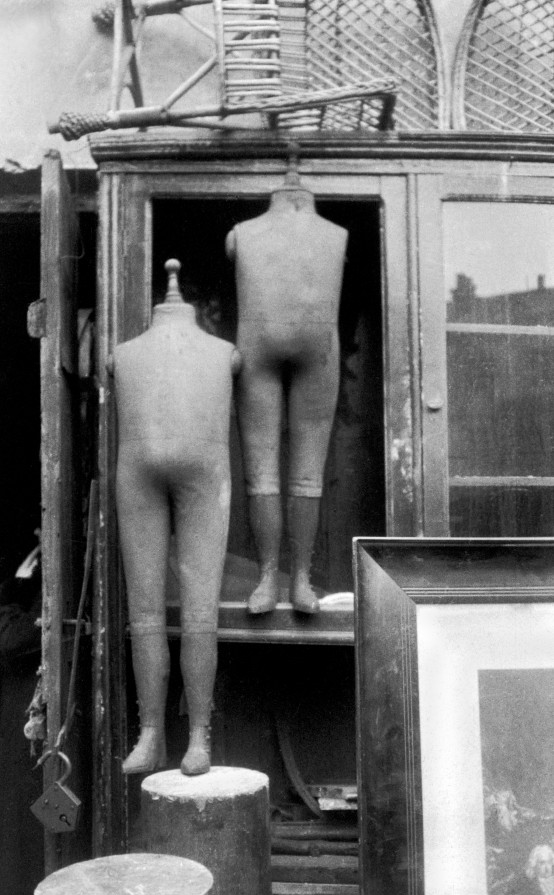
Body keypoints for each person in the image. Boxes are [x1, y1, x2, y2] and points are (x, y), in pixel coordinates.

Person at [113, 259, 240, 776]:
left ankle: (198, 734)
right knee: (144, 612)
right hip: (138, 476)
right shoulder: (123, 353)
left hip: (202, 479)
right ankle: (151, 732)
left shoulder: (223, 352)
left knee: (200, 613)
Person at [226, 159, 347, 615]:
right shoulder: (244, 232)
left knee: (307, 473)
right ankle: (266, 576)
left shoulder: (336, 234)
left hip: (317, 355)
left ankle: (299, 578)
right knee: (260, 471)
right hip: (259, 352)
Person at [0, 541, 44, 895]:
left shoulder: (47, 586)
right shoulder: (40, 585)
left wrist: (11, 592)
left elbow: (13, 637)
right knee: (26, 819)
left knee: (28, 819)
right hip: (29, 720)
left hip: (36, 722)